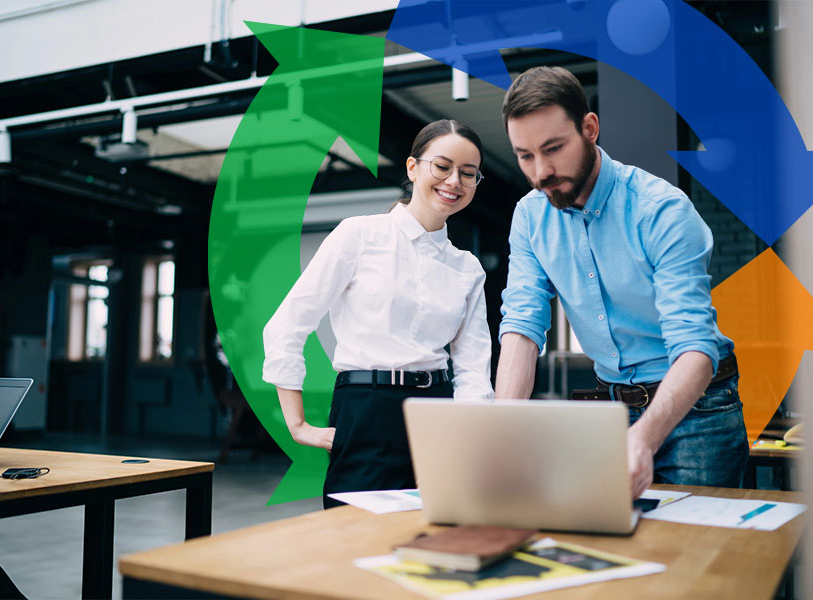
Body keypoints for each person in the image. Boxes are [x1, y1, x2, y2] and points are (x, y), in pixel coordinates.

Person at [495, 66, 748, 498]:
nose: (541, 172)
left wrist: (643, 439)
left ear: (589, 128)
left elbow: (695, 347)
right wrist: (500, 433)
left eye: (553, 148)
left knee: (691, 559)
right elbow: (522, 326)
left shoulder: (661, 210)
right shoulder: (530, 216)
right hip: (611, 410)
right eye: (525, 156)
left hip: (698, 414)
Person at [263, 120, 494, 508]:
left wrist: (465, 440)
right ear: (412, 167)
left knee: (431, 536)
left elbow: (472, 367)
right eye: (442, 166)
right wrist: (297, 425)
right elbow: (288, 323)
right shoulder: (359, 235)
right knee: (353, 538)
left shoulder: (467, 267)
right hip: (367, 407)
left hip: (438, 413)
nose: (454, 181)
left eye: (468, 173)